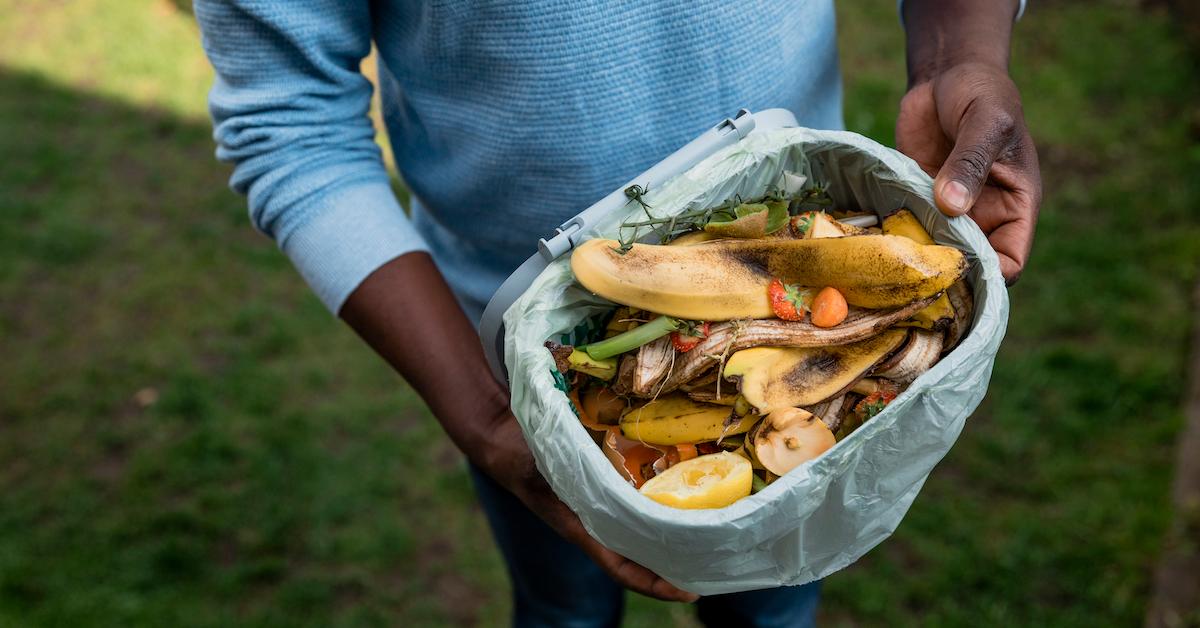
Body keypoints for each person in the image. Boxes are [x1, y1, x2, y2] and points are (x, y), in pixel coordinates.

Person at [195, 0, 1041, 625]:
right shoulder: (508, 404)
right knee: (564, 608)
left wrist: (954, 54)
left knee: (774, 605)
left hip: (819, 311)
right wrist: (491, 419)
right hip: (520, 368)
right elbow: (288, 124)